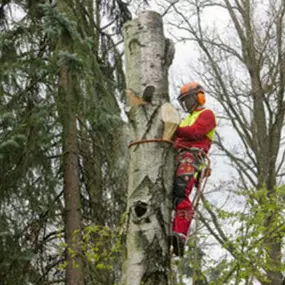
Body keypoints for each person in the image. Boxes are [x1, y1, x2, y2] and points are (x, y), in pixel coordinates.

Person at [170, 82, 216, 257]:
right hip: (178, 157)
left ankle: (180, 234)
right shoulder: (185, 120)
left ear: (199, 97)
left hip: (192, 158)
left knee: (181, 193)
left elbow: (195, 132)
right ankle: (174, 230)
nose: (187, 104)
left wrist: (174, 130)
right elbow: (181, 136)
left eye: (189, 99)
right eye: (184, 101)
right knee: (172, 195)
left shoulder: (207, 115)